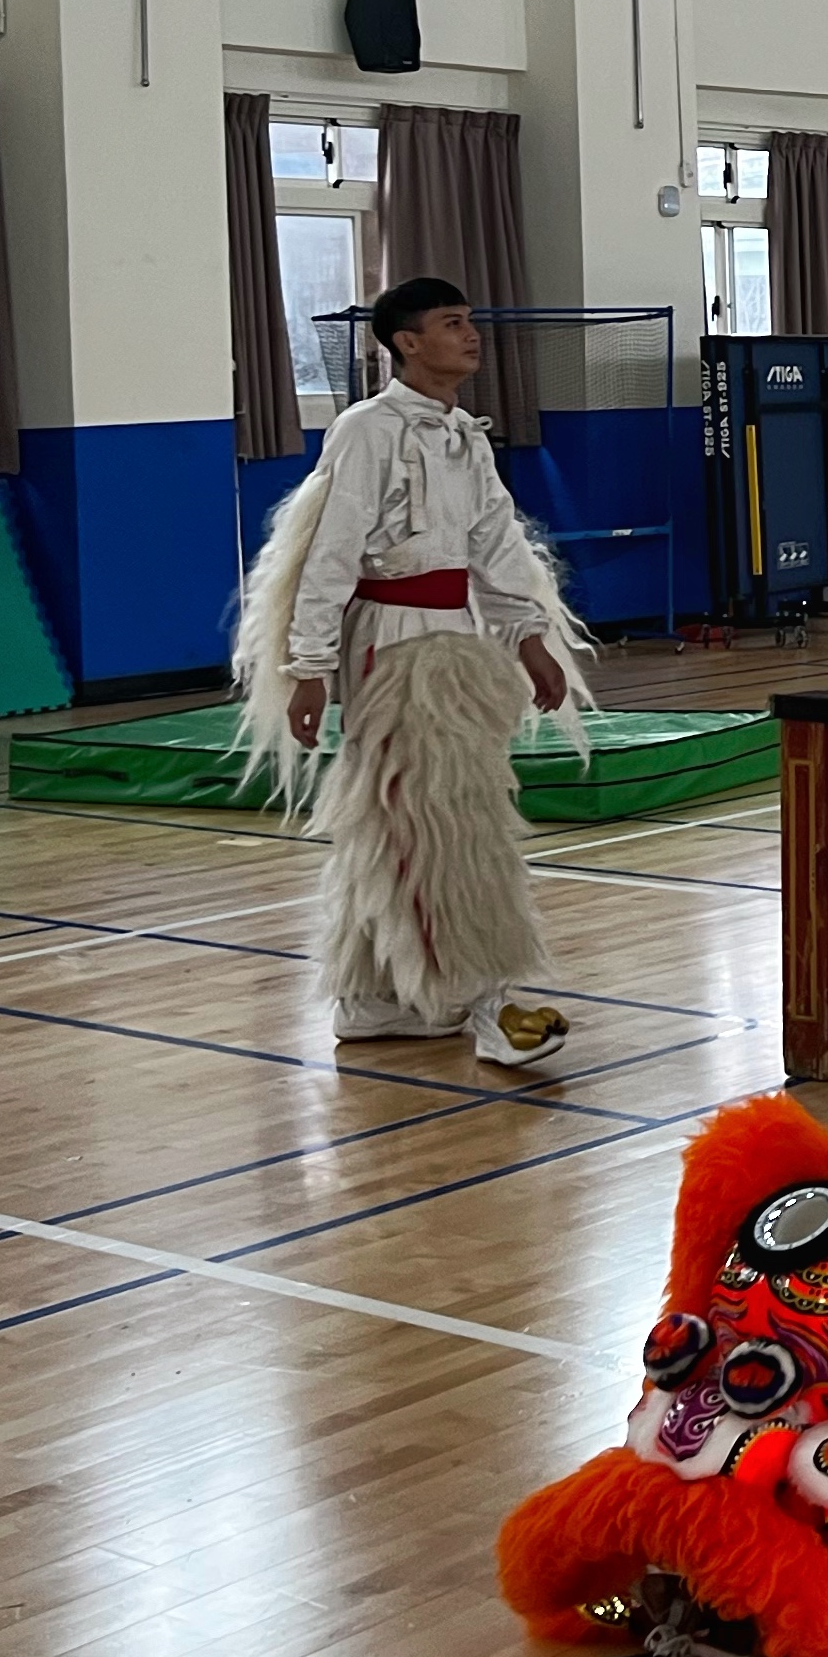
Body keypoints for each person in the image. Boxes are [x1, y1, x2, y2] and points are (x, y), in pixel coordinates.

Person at [234, 277, 587, 1071]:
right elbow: (329, 552)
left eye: (470, 321)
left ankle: (374, 999)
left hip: (457, 635)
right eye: (451, 324)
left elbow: (497, 542)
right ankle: (489, 999)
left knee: (406, 815)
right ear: (406, 343)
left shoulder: (467, 436)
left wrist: (529, 635)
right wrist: (309, 667)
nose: (471, 335)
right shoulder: (366, 431)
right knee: (434, 818)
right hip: (391, 644)